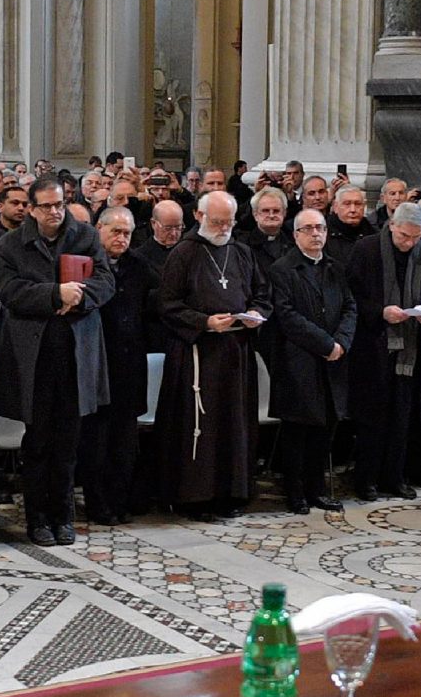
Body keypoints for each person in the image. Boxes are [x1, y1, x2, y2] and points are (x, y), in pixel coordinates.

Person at [0, 176, 114, 546]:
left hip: (76, 352)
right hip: (34, 355)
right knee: (38, 442)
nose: (55, 212)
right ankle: (37, 518)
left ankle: (64, 517)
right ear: (30, 208)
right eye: (46, 206)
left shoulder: (86, 236)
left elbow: (106, 281)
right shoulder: (9, 245)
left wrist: (81, 296)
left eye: (59, 204)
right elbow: (9, 292)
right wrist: (53, 293)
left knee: (68, 441)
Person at [151, 191, 270, 516]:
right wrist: (204, 322)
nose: (224, 228)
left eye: (229, 222)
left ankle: (230, 494)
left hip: (235, 353)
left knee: (234, 425)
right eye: (217, 222)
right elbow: (167, 305)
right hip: (197, 354)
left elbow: (262, 293)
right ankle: (195, 497)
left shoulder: (242, 251)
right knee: (201, 426)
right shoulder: (183, 254)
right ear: (200, 217)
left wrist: (256, 312)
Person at [345, 203, 421, 500]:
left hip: (410, 351)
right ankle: (366, 480)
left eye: (415, 237)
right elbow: (351, 297)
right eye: (404, 236)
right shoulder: (366, 249)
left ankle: (395, 477)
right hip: (373, 348)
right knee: (372, 418)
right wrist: (380, 312)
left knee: (402, 419)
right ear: (391, 225)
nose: (409, 243)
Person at [266, 207, 353, 513]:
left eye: (321, 228)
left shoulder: (335, 267)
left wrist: (341, 342)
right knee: (297, 433)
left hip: (333, 361)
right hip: (298, 362)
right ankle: (295, 493)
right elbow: (287, 316)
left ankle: (317, 489)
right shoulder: (282, 269)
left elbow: (349, 307)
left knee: (323, 430)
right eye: (309, 229)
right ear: (296, 235)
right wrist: (325, 344)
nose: (316, 234)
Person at [80, 205, 155, 526]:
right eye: (116, 232)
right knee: (96, 443)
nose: (123, 239)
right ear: (99, 230)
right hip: (96, 365)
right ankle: (98, 504)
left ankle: (121, 501)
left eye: (128, 233)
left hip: (129, 367)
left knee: (125, 443)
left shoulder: (139, 266)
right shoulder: (84, 264)